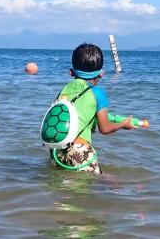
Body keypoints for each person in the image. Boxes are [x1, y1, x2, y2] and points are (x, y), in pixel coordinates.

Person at [51, 43, 135, 174]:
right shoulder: (97, 93)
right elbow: (105, 129)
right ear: (101, 74)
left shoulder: (64, 90)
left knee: (64, 187)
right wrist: (123, 124)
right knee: (105, 182)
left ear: (71, 72)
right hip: (80, 150)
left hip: (57, 149)